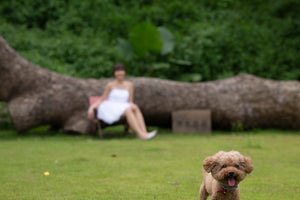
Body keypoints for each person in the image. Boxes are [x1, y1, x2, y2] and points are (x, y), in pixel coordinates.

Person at [88, 63, 157, 140]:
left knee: (135, 108)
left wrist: (132, 105)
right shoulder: (110, 85)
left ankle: (145, 132)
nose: (119, 73)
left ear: (124, 72)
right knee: (128, 110)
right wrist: (92, 107)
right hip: (111, 107)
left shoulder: (129, 85)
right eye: (117, 71)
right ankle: (140, 134)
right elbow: (102, 99)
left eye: (121, 71)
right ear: (114, 73)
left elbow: (130, 101)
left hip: (123, 106)